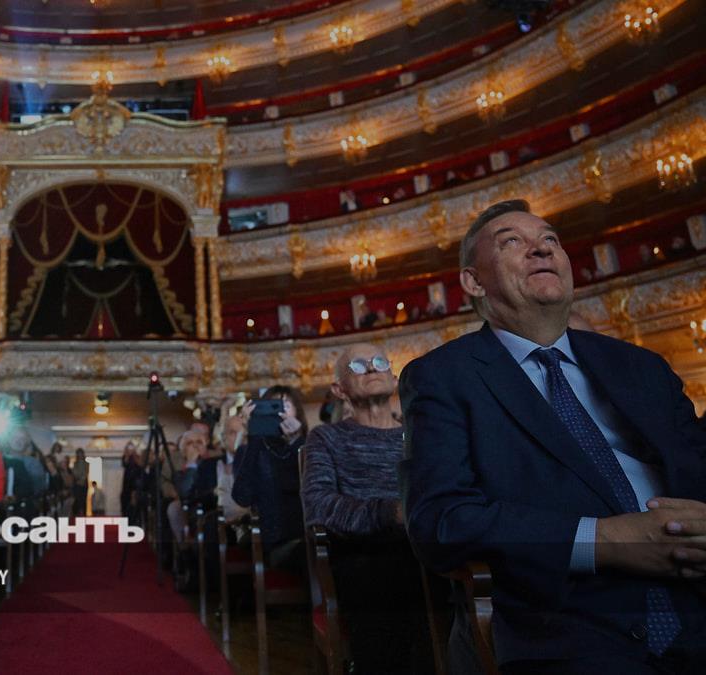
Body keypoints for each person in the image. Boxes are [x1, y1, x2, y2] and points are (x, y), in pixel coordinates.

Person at [400, 199, 706, 674]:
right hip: (571, 619)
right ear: (474, 282)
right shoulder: (443, 377)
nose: (541, 249)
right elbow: (442, 520)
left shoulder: (642, 365)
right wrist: (606, 540)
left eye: (550, 240)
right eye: (512, 242)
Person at [301, 343, 432, 674]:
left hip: (429, 545)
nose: (372, 368)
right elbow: (318, 505)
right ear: (339, 389)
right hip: (366, 554)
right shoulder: (326, 438)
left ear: (394, 378)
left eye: (379, 362)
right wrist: (391, 513)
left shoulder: (421, 433)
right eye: (358, 366)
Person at [233, 385, 309, 571]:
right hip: (280, 542)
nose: (279, 412)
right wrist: (254, 435)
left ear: (298, 413)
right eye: (273, 406)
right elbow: (242, 497)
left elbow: (307, 487)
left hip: (312, 534)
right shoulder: (252, 450)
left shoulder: (309, 446)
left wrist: (296, 442)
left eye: (286, 406)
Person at [71, 448, 90, 517]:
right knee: (77, 499)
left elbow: (85, 473)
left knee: (84, 500)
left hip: (84, 484)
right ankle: (76, 514)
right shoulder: (75, 463)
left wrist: (80, 478)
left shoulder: (87, 464)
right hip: (77, 484)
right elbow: (74, 473)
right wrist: (78, 477)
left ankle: (84, 515)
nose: (80, 455)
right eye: (78, 453)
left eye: (81, 453)